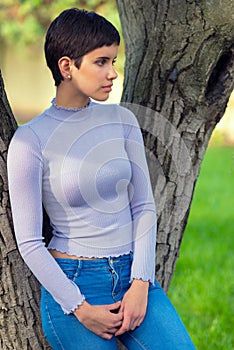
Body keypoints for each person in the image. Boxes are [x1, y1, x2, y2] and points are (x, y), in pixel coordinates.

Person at [7, 8, 196, 350]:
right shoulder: (30, 140)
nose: (113, 73)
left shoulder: (121, 120)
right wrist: (79, 308)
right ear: (67, 67)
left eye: (114, 60)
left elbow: (143, 207)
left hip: (134, 279)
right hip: (75, 287)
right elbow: (31, 243)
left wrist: (140, 283)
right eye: (101, 62)